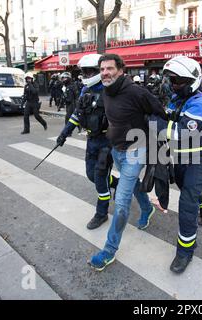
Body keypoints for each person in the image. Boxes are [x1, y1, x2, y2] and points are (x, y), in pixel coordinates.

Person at [89, 54, 166, 271]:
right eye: (102, 69)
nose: (105, 72)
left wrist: (154, 139)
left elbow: (160, 113)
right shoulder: (105, 90)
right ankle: (146, 208)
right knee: (130, 184)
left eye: (109, 68)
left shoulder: (136, 91)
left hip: (136, 151)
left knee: (121, 201)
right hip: (117, 150)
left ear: (121, 70)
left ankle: (108, 251)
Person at [149, 55, 202, 273]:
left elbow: (181, 132)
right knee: (187, 191)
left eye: (178, 80)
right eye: (172, 80)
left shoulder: (200, 103)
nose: (174, 85)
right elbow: (167, 118)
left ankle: (185, 252)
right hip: (179, 157)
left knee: (187, 206)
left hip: (198, 160)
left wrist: (154, 124)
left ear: (192, 80)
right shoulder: (177, 99)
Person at [57, 54, 119, 230]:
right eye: (83, 72)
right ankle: (117, 184)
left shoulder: (111, 91)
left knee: (99, 177)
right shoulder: (86, 91)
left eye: (88, 72)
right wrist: (64, 133)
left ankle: (102, 214)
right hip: (91, 140)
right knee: (91, 175)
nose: (84, 75)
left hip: (106, 142)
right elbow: (78, 114)